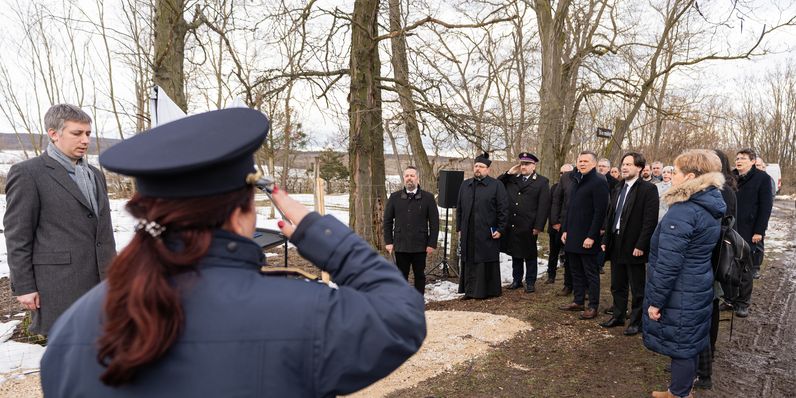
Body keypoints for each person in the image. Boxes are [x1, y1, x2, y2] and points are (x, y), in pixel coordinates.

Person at [40, 108, 426, 397]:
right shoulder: (302, 314)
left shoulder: (74, 328)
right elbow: (401, 317)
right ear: (242, 211)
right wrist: (319, 232)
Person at [4, 104, 116, 336]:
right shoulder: (28, 173)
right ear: (53, 134)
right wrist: (25, 287)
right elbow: (18, 235)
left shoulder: (95, 174)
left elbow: (102, 232)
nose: (85, 140)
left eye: (87, 133)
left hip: (103, 282)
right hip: (59, 285)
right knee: (66, 355)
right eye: (77, 133)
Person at [644, 149, 726, 398]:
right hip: (697, 282)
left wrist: (656, 301)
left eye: (676, 172)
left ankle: (679, 394)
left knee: (681, 346)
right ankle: (679, 390)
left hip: (681, 288)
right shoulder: (708, 204)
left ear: (690, 176)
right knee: (689, 341)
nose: (672, 176)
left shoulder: (685, 211)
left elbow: (669, 263)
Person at [599, 152, 658, 336]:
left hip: (634, 244)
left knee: (637, 286)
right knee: (617, 283)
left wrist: (641, 245)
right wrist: (605, 240)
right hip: (616, 242)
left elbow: (650, 221)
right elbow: (610, 217)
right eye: (623, 164)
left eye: (629, 164)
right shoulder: (617, 187)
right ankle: (618, 315)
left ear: (639, 168)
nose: (624, 167)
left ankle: (637, 321)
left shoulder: (648, 189)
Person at [694, 149, 739, 390]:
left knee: (709, 307)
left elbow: (727, 227)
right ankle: (696, 358)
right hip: (704, 256)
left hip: (714, 257)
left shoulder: (726, 191)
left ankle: (706, 357)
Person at [559, 151, 609, 320]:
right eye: (580, 161)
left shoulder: (598, 182)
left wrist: (592, 236)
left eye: (586, 161)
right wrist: (565, 230)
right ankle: (578, 301)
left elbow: (600, 212)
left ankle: (593, 306)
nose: (582, 163)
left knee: (590, 273)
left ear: (594, 164)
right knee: (575, 270)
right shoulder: (575, 180)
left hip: (588, 236)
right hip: (572, 234)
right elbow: (569, 209)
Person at [457, 152, 509, 299]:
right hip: (468, 231)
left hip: (487, 231)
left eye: (481, 166)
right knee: (469, 260)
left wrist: (500, 229)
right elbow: (459, 208)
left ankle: (486, 291)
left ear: (488, 169)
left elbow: (503, 209)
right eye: (476, 166)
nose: (478, 169)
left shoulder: (496, 185)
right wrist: (459, 228)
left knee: (484, 260)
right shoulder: (465, 185)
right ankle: (469, 291)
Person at [498, 152, 550, 293]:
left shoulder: (541, 181)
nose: (524, 166)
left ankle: (530, 281)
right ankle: (517, 280)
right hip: (513, 222)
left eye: (527, 164)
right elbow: (498, 183)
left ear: (534, 166)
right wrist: (509, 172)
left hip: (529, 224)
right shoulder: (513, 179)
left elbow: (543, 206)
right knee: (515, 252)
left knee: (530, 253)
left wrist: (538, 226)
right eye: (522, 164)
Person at [384, 166, 440, 295]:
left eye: (412, 175)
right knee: (401, 275)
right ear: (404, 178)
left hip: (420, 244)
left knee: (419, 275)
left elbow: (434, 223)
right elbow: (387, 221)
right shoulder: (394, 197)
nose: (409, 178)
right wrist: (389, 241)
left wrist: (432, 243)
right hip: (400, 244)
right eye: (407, 176)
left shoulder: (428, 198)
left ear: (417, 178)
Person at [732, 148, 773, 316]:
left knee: (745, 267)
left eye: (742, 158)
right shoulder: (731, 177)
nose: (738, 160)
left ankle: (742, 302)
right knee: (730, 265)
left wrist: (759, 231)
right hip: (731, 228)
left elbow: (765, 207)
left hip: (749, 229)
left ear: (753, 161)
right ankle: (731, 299)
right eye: (737, 158)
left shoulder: (762, 178)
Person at [548, 163, 574, 288]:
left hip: (568, 227)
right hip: (555, 226)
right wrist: (554, 223)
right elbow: (552, 206)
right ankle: (550, 275)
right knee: (553, 252)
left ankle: (568, 283)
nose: (563, 175)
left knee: (568, 256)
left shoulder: (574, 187)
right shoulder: (554, 188)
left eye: (566, 173)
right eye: (561, 173)